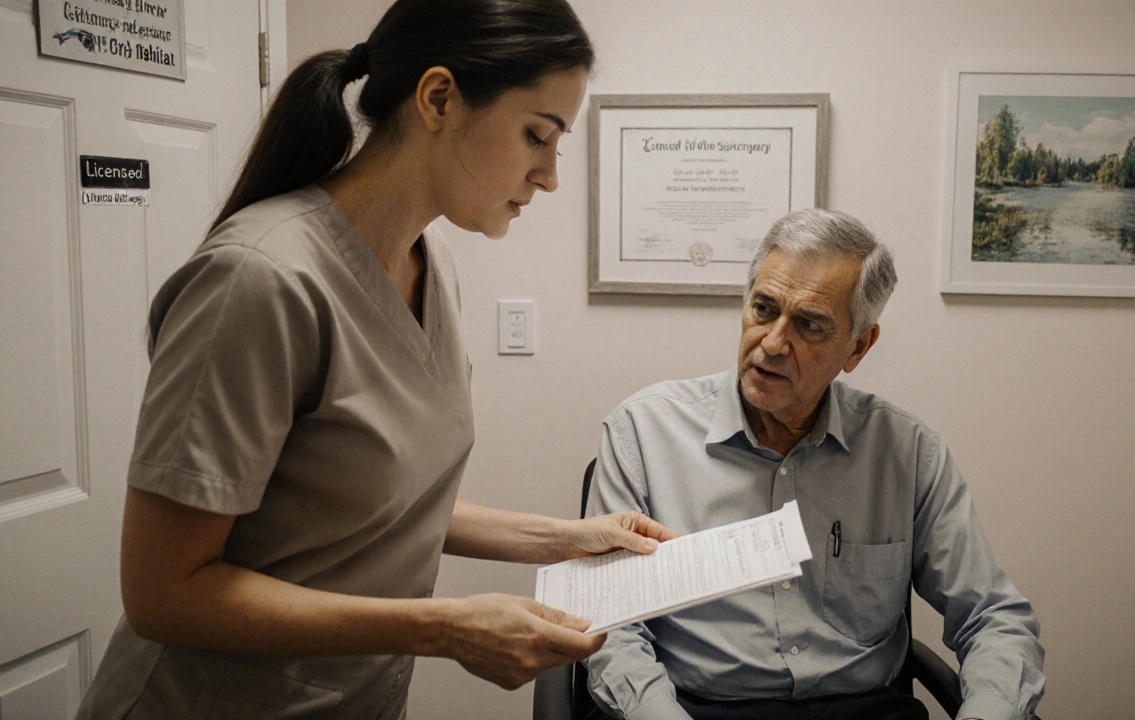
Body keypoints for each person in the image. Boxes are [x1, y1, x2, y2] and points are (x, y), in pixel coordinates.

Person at [75, 1, 676, 718]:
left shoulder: (434, 266)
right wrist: (445, 628)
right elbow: (163, 594)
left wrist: (569, 539)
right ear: (439, 98)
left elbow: (378, 500)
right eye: (537, 136)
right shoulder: (261, 278)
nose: (548, 175)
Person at [585, 208, 1045, 720]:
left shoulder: (907, 453)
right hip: (700, 709)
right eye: (764, 309)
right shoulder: (643, 434)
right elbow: (612, 629)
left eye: (809, 325)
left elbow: (994, 618)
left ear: (858, 346)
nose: (774, 343)